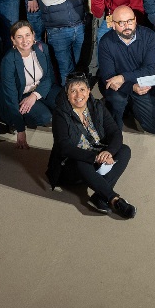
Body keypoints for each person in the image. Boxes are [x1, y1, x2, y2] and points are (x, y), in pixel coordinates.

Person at [47, 74, 136, 218]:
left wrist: (108, 152)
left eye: (82, 89)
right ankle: (114, 199)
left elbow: (115, 132)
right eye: (73, 90)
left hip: (97, 154)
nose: (78, 95)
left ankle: (99, 196)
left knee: (125, 150)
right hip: (72, 165)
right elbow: (64, 147)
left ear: (89, 91)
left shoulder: (97, 106)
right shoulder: (60, 114)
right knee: (81, 161)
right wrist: (95, 157)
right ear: (67, 94)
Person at [97, 5, 155, 134]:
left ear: (135, 20)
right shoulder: (106, 42)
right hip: (118, 87)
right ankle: (113, 108)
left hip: (139, 83)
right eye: (121, 23)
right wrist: (131, 87)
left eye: (130, 21)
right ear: (113, 24)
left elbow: (149, 70)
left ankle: (131, 105)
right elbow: (108, 77)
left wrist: (123, 77)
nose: (126, 26)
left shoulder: (149, 36)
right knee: (117, 100)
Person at [0, 21, 58, 149]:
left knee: (63, 99)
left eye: (27, 35)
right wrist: (20, 130)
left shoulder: (42, 48)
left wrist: (35, 96)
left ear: (33, 35)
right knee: (45, 116)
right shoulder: (8, 61)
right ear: (13, 40)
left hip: (39, 89)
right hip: (20, 94)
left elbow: (49, 77)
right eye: (19, 37)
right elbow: (10, 96)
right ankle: (21, 118)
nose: (25, 40)